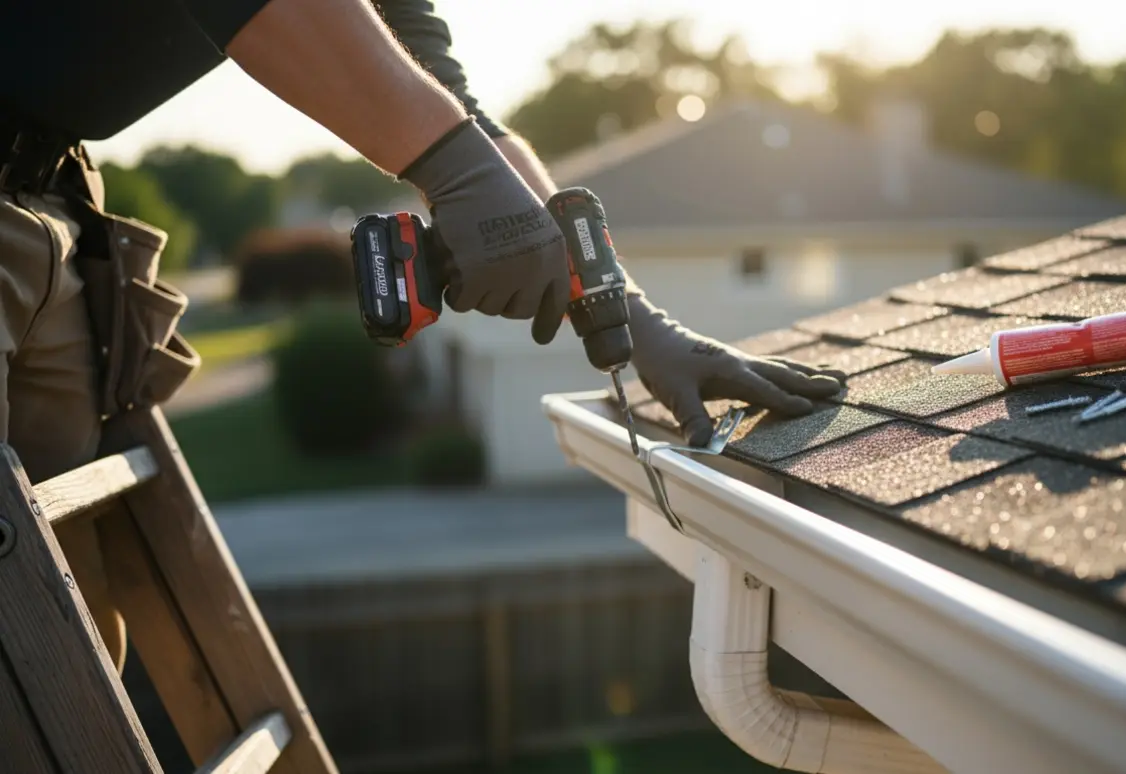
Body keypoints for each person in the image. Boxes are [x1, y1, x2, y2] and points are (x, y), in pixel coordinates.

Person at [0, 0, 845, 671]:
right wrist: (452, 171)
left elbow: (447, 97)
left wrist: (623, 312)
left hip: (44, 207)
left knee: (66, 633)